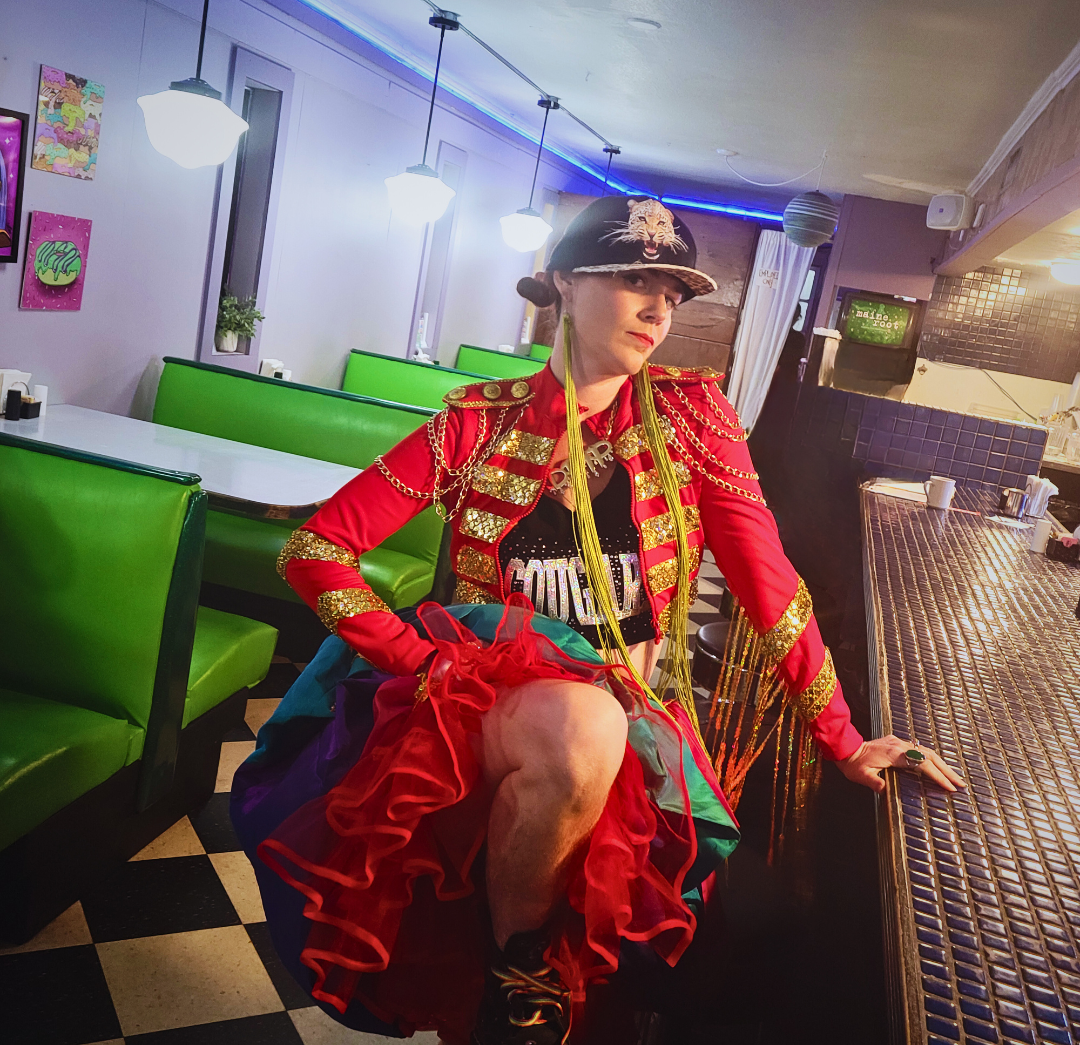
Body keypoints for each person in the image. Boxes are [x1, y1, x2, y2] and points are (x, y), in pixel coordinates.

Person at [231, 195, 964, 1045]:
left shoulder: (695, 418)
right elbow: (314, 549)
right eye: (634, 281)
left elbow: (769, 585)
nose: (659, 309)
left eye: (673, 293)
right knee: (536, 853)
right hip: (488, 722)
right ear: (563, 284)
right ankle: (516, 984)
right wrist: (420, 659)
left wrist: (843, 737)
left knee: (621, 959)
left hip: (637, 723)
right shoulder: (477, 423)